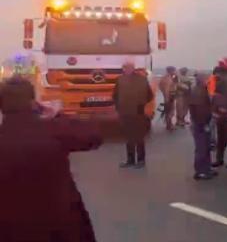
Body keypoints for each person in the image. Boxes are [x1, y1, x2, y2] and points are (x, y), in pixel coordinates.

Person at [0, 76, 102, 242]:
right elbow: (94, 136)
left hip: (11, 229)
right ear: (33, 102)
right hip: (60, 224)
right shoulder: (53, 129)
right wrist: (56, 115)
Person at [113, 61, 154, 168]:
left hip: (138, 113)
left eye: (128, 68)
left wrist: (140, 104)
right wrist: (119, 107)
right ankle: (130, 160)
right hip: (125, 113)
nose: (126, 70)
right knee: (129, 138)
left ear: (133, 68)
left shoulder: (142, 80)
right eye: (125, 68)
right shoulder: (120, 80)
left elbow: (150, 95)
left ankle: (141, 161)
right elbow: (115, 95)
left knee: (139, 138)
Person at [188, 72, 216, 180]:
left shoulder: (200, 90)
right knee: (202, 148)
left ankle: (206, 168)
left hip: (201, 123)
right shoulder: (199, 92)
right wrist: (204, 123)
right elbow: (199, 111)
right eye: (207, 79)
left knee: (205, 147)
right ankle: (201, 171)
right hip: (201, 124)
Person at [159, 66, 178, 130]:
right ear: (171, 71)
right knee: (171, 112)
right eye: (174, 70)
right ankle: (169, 125)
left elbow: (161, 87)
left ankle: (169, 124)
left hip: (168, 97)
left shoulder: (164, 78)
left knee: (168, 111)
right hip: (169, 97)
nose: (175, 72)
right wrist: (167, 98)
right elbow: (166, 89)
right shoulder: (168, 79)